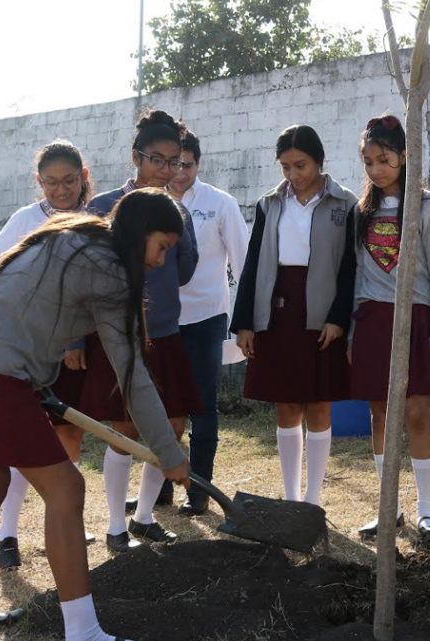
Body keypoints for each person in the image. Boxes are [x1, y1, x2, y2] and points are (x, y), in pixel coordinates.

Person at [0, 188, 191, 641]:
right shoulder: (110, 271)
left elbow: (10, 292)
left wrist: (34, 378)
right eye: (162, 246)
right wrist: (168, 452)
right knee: (67, 488)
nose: (162, 261)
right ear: (142, 233)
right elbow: (132, 376)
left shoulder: (76, 232)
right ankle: (83, 632)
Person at [84, 109, 201, 553]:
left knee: (172, 425)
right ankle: (115, 526)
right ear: (137, 157)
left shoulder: (178, 211)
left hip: (167, 330)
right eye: (158, 159)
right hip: (118, 334)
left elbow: (186, 265)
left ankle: (145, 516)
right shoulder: (102, 208)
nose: (167, 170)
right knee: (126, 428)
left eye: (175, 162)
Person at [0, 140, 97, 570]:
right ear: (38, 182)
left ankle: (61, 522)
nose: (61, 190)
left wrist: (75, 339)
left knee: (69, 436)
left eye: (69, 180)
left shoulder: (92, 219)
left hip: (77, 347)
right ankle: (8, 533)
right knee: (23, 442)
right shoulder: (25, 220)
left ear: (83, 177)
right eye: (51, 183)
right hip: (27, 346)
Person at [231, 125, 356, 508]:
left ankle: (313, 499)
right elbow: (253, 263)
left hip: (321, 312)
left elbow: (351, 266)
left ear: (319, 160)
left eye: (300, 165)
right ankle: (289, 497)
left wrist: (339, 318)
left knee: (318, 403)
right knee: (286, 403)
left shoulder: (346, 204)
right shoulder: (270, 203)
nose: (293, 174)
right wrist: (245, 322)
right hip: (277, 309)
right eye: (285, 166)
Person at [349, 114, 430, 540]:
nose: (376, 169)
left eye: (385, 159)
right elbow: (356, 273)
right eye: (369, 161)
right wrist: (354, 331)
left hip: (416, 317)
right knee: (378, 415)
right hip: (372, 319)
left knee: (415, 413)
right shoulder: (362, 211)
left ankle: (426, 509)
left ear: (405, 157)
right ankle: (387, 506)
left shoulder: (426, 206)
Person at [166, 129, 250, 516]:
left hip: (206, 317)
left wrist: (245, 320)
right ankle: (159, 490)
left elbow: (243, 262)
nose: (179, 172)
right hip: (161, 320)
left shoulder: (220, 203)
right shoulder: (151, 201)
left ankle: (198, 490)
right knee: (162, 408)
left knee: (202, 406)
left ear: (198, 164)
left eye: (187, 164)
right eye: (173, 163)